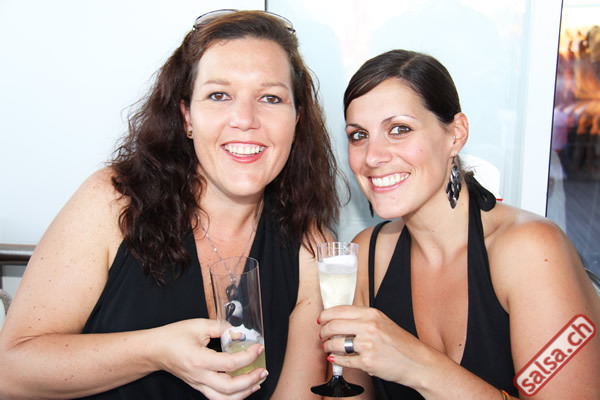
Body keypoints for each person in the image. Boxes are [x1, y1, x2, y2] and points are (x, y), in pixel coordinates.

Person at [0, 10, 340, 399]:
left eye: (270, 98)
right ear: (186, 116)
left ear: (296, 120)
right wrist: (155, 351)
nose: (245, 119)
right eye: (219, 95)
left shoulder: (310, 248)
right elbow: (10, 372)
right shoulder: (113, 201)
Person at [316, 49, 600, 399]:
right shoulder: (366, 257)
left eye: (399, 129)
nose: (372, 156)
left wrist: (417, 365)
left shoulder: (530, 251)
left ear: (456, 134)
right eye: (359, 135)